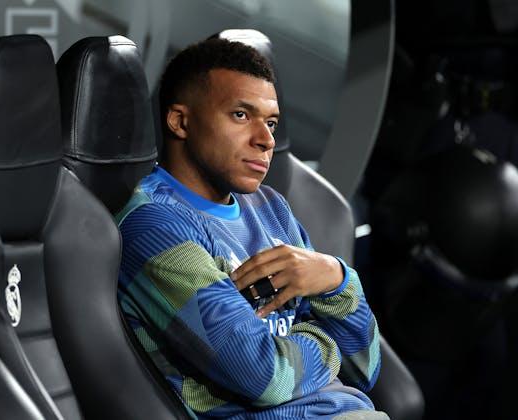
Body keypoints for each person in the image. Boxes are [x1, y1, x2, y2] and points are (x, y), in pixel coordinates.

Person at [117, 38, 387, 419]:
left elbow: (365, 366)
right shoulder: (156, 226)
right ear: (180, 121)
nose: (266, 140)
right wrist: (329, 343)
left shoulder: (270, 207)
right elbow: (266, 377)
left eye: (271, 123)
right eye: (241, 115)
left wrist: (336, 278)